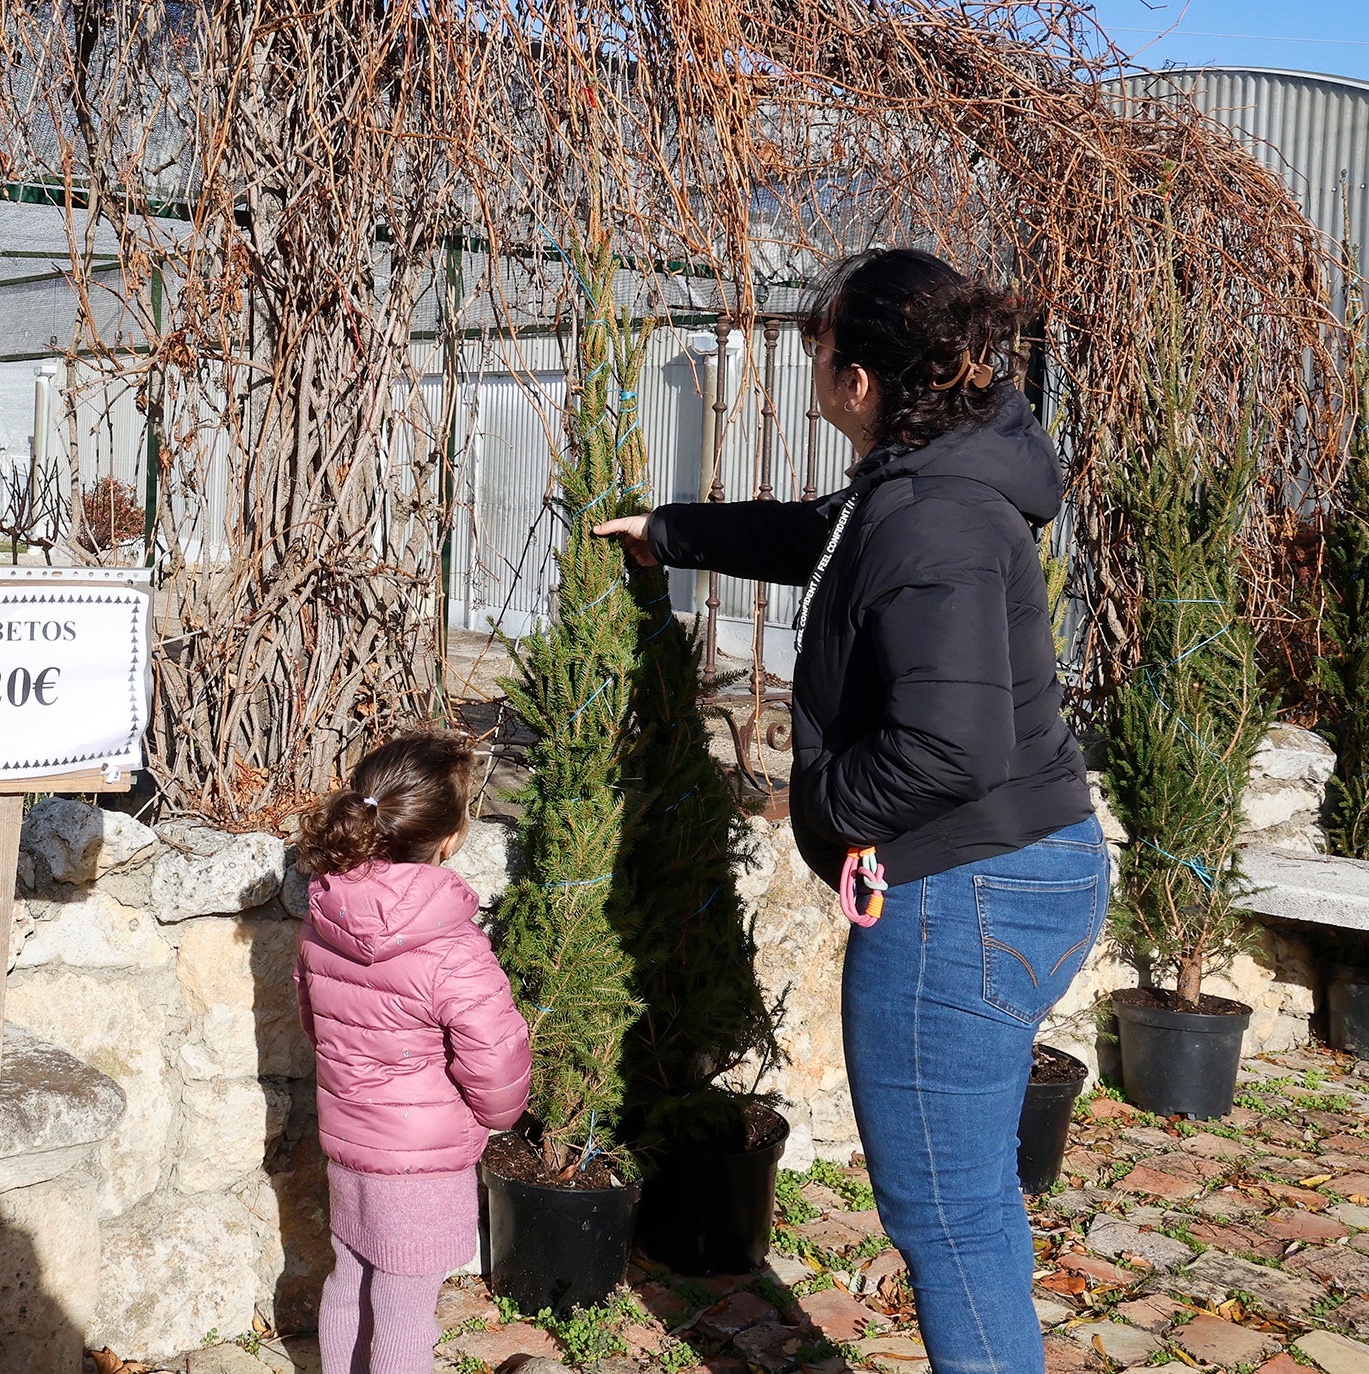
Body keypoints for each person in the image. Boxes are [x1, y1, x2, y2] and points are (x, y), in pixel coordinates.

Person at [595, 248, 1108, 1374]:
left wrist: (816, 806)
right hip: (1012, 865)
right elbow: (820, 540)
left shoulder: (933, 518)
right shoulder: (929, 481)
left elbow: (946, 748)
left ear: (860, 379)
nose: (813, 369)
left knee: (947, 1215)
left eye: (819, 350)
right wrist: (670, 532)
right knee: (968, 1195)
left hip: (958, 891)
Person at [294, 729, 531, 1374]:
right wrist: (492, 1117)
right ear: (449, 839)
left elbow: (314, 1018)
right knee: (405, 1307)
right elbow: (496, 1058)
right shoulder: (452, 946)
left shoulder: (324, 911)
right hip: (424, 1160)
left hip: (350, 1142)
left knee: (350, 1280)